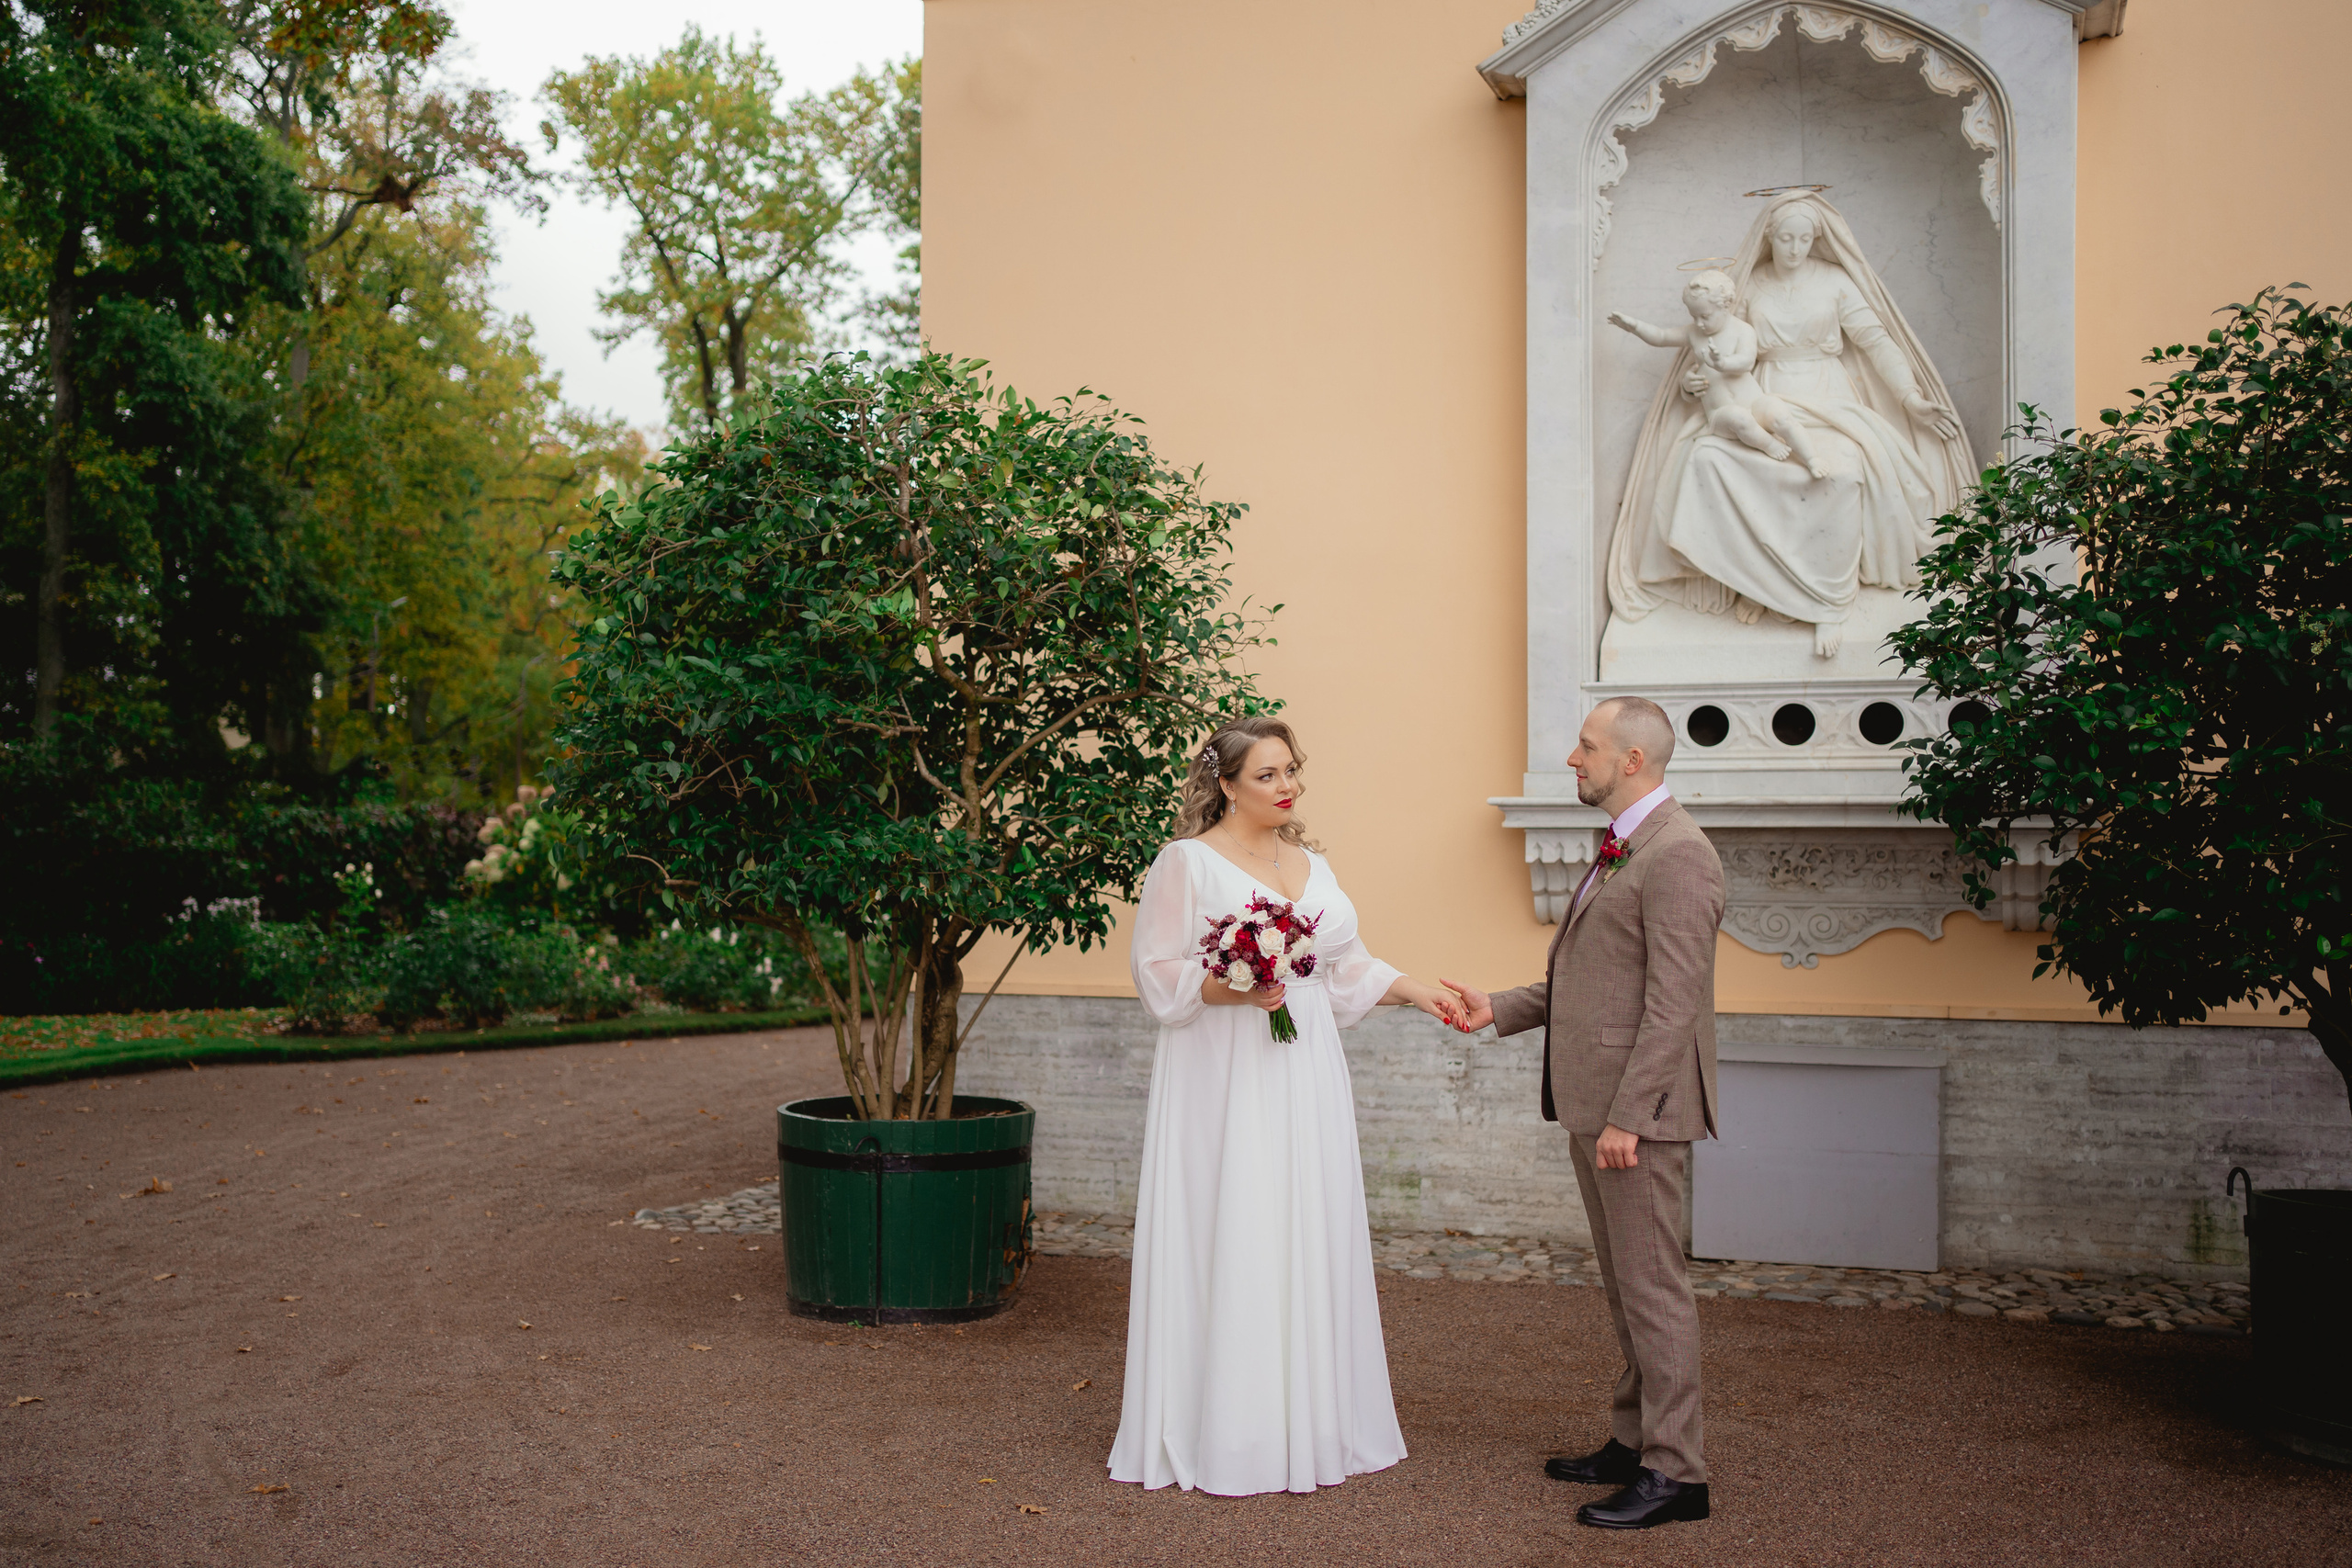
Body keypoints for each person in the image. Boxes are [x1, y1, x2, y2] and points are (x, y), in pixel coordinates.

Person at [1108, 715, 1466, 1495]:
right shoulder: (1186, 863)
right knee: (1235, 1215)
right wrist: (1232, 986)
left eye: (1291, 770)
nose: (1287, 785)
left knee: (1303, 1217)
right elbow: (1156, 970)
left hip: (1305, 1061)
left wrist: (1421, 991)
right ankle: (1232, 1429)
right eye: (1267, 774)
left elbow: (1347, 965)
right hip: (1223, 1068)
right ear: (1226, 783)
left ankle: (1314, 1418)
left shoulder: (1312, 862)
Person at [1442, 696, 1724, 1531]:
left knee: (1654, 1289)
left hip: (1637, 1113)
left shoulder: (1680, 856)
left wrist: (1630, 1116)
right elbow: (1593, 980)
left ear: (1632, 759)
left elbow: (1675, 1006)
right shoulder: (1626, 846)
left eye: (1586, 746)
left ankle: (1679, 1473)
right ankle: (1635, 1441)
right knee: (1625, 1289)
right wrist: (1495, 1007)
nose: (1573, 757)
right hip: (1599, 1105)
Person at [1605, 192, 1975, 658]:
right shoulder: (1749, 285)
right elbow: (1710, 345)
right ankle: (1761, 584)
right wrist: (1691, 386)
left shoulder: (1836, 281)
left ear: (1816, 238)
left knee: (1839, 476)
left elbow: (1877, 342)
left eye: (1804, 238)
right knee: (1713, 460)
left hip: (1827, 394)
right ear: (1769, 237)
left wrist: (1910, 398)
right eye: (1786, 238)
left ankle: (1827, 603)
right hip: (1762, 389)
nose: (1796, 248)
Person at [1610, 269, 1826, 479]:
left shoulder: (1743, 330)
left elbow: (1746, 361)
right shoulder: (1694, 333)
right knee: (1738, 417)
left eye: (1705, 316)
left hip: (1754, 404)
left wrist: (1722, 362)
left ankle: (1812, 457)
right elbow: (1662, 337)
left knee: (1779, 413)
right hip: (1721, 416)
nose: (1698, 323)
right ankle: (1769, 444)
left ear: (1726, 307)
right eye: (1694, 316)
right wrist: (1635, 327)